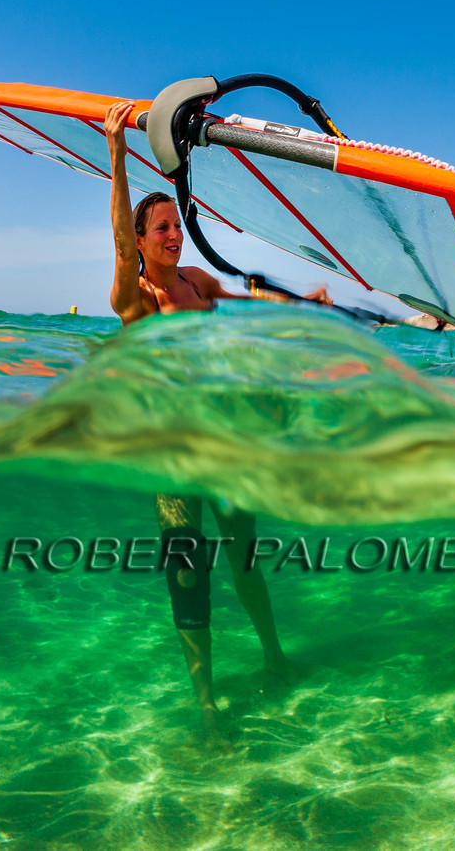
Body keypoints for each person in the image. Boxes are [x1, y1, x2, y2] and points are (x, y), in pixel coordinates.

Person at [103, 99, 310, 748]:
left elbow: (246, 290)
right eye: (160, 228)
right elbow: (117, 239)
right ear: (140, 242)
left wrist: (304, 301)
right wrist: (116, 155)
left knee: (245, 560)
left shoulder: (194, 280)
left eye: (174, 226)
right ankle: (208, 707)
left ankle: (275, 658)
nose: (172, 235)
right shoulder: (134, 300)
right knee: (188, 574)